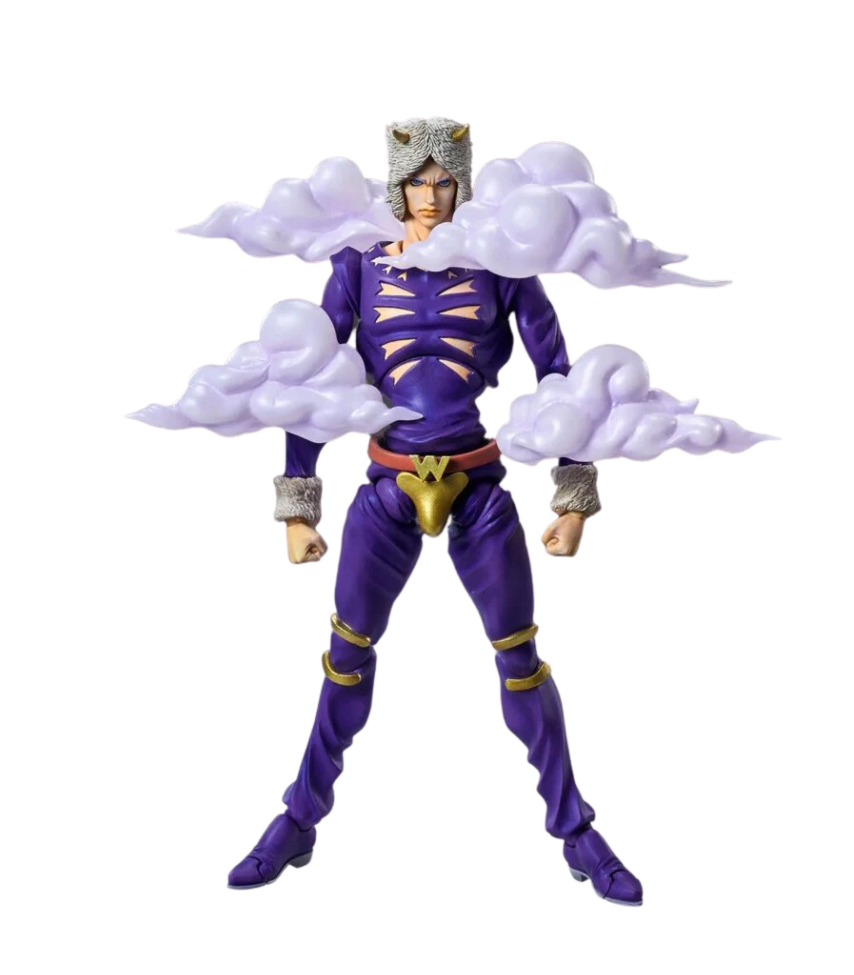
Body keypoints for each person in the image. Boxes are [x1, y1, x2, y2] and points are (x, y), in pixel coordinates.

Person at [229, 118, 643, 906]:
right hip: (388, 484)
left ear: (462, 185)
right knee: (346, 654)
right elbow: (316, 376)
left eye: (443, 180)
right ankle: (299, 819)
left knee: (519, 660)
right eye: (417, 180)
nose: (430, 194)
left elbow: (561, 376)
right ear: (398, 186)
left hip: (476, 482)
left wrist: (573, 494)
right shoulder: (358, 264)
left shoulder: (501, 262)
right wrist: (297, 504)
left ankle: (576, 832)